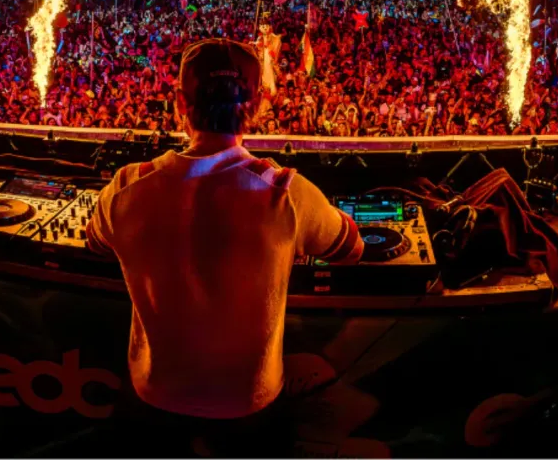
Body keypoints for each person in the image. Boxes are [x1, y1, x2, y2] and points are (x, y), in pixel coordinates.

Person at [85, 38, 363, 455]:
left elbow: (95, 242)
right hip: (249, 407)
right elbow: (351, 249)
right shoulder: (286, 192)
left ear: (180, 102)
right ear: (257, 105)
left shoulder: (126, 186)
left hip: (151, 397)